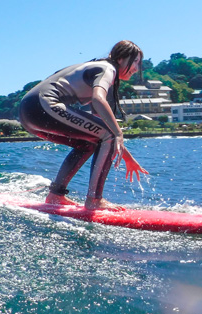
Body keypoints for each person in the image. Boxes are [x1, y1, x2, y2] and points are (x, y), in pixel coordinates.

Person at [19, 40, 149, 210]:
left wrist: (128, 158)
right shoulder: (107, 69)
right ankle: (94, 200)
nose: (136, 68)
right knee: (109, 135)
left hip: (29, 111)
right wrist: (118, 134)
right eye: (135, 61)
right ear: (121, 58)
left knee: (89, 143)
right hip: (43, 105)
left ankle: (55, 195)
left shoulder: (95, 69)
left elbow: (101, 127)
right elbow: (98, 100)